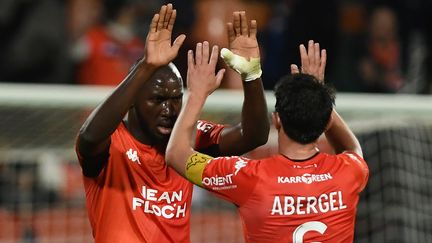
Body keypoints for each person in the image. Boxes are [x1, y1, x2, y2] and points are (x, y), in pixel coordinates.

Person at [75, 3, 269, 242]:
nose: (168, 109)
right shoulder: (113, 144)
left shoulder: (187, 137)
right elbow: (89, 137)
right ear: (133, 101)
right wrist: (147, 65)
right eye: (157, 99)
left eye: (176, 98)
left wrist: (251, 76)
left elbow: (254, 136)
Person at [166, 40, 369, 242]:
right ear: (327, 122)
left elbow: (176, 154)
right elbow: (352, 148)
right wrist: (316, 94)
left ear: (277, 119)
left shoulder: (249, 177)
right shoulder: (349, 171)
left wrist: (196, 94)